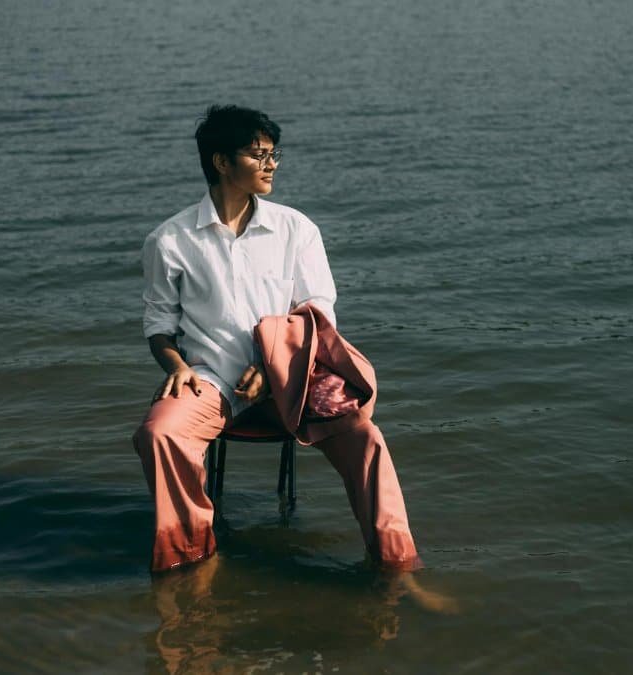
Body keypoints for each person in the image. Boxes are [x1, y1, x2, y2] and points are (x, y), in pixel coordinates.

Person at [132, 104, 421, 574]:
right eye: (257, 154)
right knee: (158, 433)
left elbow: (319, 314)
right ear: (222, 162)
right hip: (211, 380)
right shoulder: (170, 241)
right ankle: (190, 559)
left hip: (294, 379)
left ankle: (397, 567)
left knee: (367, 439)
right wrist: (176, 367)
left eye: (273, 154)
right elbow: (159, 325)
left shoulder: (296, 229)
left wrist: (271, 369)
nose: (271, 165)